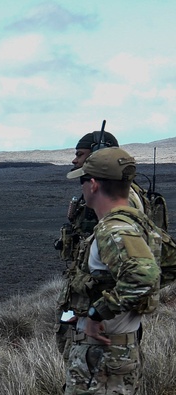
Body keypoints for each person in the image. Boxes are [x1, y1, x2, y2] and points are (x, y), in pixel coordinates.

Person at [51, 147, 162, 395]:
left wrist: (99, 313)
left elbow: (145, 277)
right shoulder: (138, 222)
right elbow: (166, 265)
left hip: (100, 355)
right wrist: (127, 307)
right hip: (122, 349)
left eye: (84, 179)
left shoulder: (113, 229)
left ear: (94, 184)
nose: (82, 186)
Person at [54, 130, 148, 355]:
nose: (74, 160)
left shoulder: (121, 205)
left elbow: (142, 274)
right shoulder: (106, 201)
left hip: (107, 327)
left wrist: (100, 312)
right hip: (91, 310)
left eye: (80, 154)